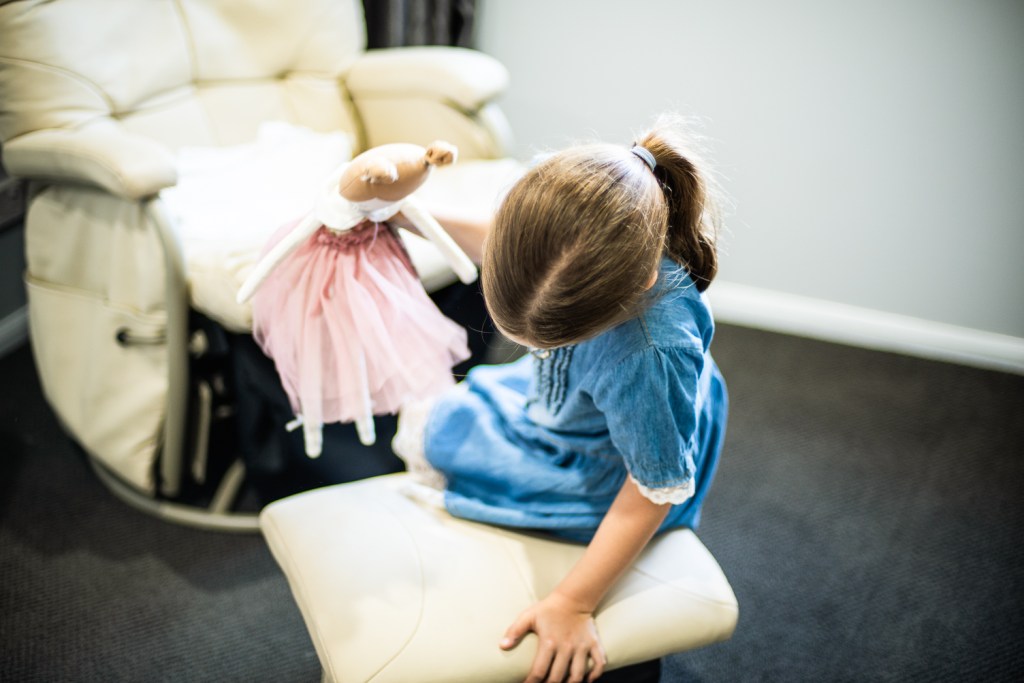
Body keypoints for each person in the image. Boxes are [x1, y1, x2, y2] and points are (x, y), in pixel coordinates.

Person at [392, 114, 729, 683]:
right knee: (443, 426)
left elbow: (651, 491)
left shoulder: (649, 352)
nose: (530, 347)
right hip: (575, 398)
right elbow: (497, 238)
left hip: (617, 456)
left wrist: (572, 603)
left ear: (633, 289)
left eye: (552, 338)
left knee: (451, 442)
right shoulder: (555, 208)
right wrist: (407, 214)